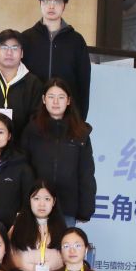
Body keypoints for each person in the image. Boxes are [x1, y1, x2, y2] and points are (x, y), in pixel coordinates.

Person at [21, 79, 96, 225]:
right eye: (51, 97)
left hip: (67, 208)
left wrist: (85, 210)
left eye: (61, 97)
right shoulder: (32, 131)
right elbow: (23, 170)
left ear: (68, 101)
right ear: (44, 99)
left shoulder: (80, 133)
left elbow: (86, 174)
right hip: (36, 207)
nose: (55, 102)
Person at [21, 0, 91, 113]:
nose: (51, 6)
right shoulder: (26, 38)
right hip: (32, 111)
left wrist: (80, 116)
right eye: (46, 1)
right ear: (40, 3)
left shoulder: (76, 40)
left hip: (66, 113)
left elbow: (84, 82)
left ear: (64, 5)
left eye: (57, 1)